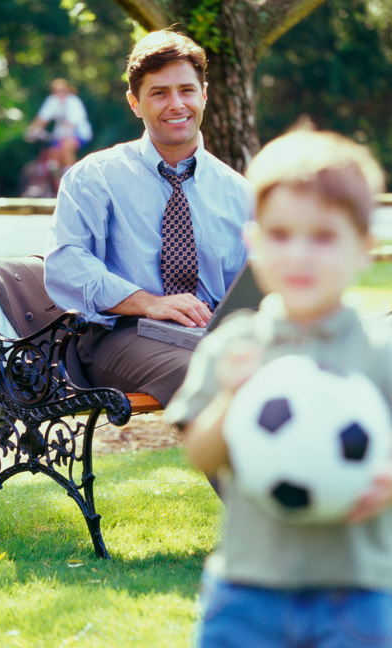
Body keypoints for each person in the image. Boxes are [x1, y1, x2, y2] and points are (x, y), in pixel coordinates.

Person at [166, 129, 392, 647]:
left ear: (364, 249)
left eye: (323, 237)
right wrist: (230, 399)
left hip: (357, 593)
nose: (299, 255)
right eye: (281, 235)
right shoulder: (235, 345)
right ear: (254, 245)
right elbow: (199, 454)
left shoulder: (380, 352)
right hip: (247, 591)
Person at [44, 30, 255, 407]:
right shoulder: (95, 177)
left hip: (211, 335)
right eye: (159, 93)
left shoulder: (239, 192)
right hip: (119, 335)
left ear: (204, 94)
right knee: (208, 373)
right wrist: (148, 302)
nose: (177, 104)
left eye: (186, 90)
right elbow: (66, 264)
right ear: (135, 102)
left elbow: (254, 282)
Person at [26, 78, 92, 175]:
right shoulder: (52, 101)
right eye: (57, 91)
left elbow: (71, 125)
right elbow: (42, 118)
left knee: (66, 147)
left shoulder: (73, 102)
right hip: (60, 134)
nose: (60, 93)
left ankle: (73, 175)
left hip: (79, 134)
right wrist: (31, 131)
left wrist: (62, 136)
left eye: (62, 90)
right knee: (52, 157)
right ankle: (56, 184)